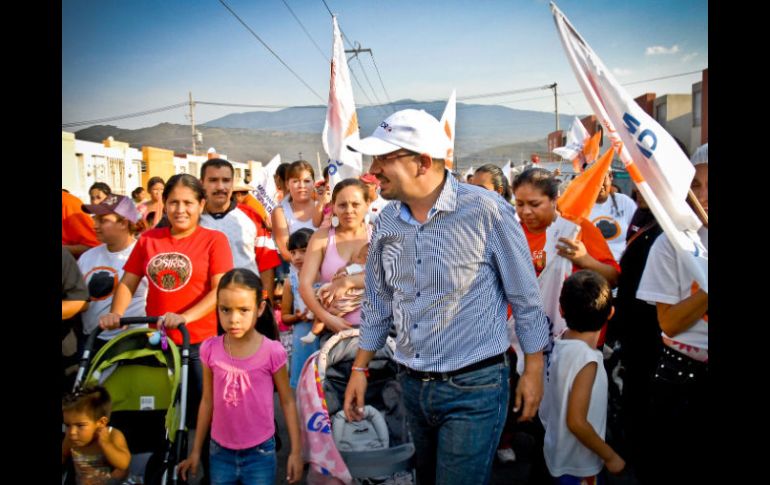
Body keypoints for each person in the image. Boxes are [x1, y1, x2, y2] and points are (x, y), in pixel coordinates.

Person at [343, 109, 549, 485]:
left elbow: (526, 298)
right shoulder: (386, 220)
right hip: (410, 384)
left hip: (475, 388)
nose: (373, 169)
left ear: (422, 162)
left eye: (383, 158)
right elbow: (377, 301)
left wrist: (534, 369)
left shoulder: (487, 211)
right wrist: (360, 367)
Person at [99, 174, 234, 484]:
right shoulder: (149, 240)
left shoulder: (214, 240)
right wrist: (115, 313)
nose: (180, 209)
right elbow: (128, 283)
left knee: (205, 417)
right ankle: (165, 469)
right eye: (173, 202)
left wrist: (185, 316)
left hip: (199, 344)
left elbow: (219, 292)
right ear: (164, 204)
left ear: (201, 204)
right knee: (162, 417)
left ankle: (211, 473)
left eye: (188, 202)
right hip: (158, 345)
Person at [177, 268, 303, 484]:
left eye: (244, 310)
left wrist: (296, 452)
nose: (234, 319)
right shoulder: (209, 349)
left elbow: (287, 401)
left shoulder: (272, 351)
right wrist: (196, 451)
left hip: (260, 454)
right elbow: (207, 401)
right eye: (225, 310)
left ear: (260, 308)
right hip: (219, 453)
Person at [635, 143, 708, 484]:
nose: (703, 195)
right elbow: (670, 323)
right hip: (684, 379)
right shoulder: (670, 243)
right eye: (695, 185)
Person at [540, 270, 625, 481]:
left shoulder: (559, 343)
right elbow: (576, 422)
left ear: (561, 310)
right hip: (578, 465)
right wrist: (610, 456)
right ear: (610, 313)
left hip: (556, 450)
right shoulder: (586, 360)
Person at [512, 168, 620, 286]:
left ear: (554, 199)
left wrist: (585, 260)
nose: (526, 211)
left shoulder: (578, 228)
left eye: (535, 204)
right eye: (520, 204)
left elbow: (614, 278)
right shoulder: (511, 233)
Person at [199, 159, 281, 302]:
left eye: (226, 180)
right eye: (213, 180)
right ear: (202, 183)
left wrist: (266, 302)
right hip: (204, 306)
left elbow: (266, 265)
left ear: (232, 183)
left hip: (246, 304)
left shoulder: (251, 216)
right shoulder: (192, 219)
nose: (220, 186)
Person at [298, 178, 371, 337]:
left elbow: (390, 278)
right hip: (333, 331)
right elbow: (304, 285)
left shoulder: (379, 236)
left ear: (367, 204)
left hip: (377, 330)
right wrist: (328, 319)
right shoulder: (322, 237)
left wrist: (347, 282)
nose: (349, 210)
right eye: (342, 205)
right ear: (333, 207)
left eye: (355, 204)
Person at [78, 195, 149, 354]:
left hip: (133, 342)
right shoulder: (87, 257)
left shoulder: (146, 254)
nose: (95, 225)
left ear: (124, 223)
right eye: (95, 219)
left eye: (103, 220)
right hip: (92, 341)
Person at [300, 242, 368, 344]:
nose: (355, 259)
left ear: (365, 258)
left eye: (359, 256)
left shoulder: (358, 267)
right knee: (327, 310)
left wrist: (343, 274)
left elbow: (341, 272)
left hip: (345, 299)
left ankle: (313, 331)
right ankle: (313, 324)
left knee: (323, 303)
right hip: (352, 303)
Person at [62, 386, 131, 485]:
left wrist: (105, 444)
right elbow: (63, 455)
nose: (72, 432)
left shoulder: (112, 435)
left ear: (101, 423)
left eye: (80, 425)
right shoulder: (71, 439)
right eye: (68, 425)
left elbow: (123, 464)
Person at [280, 228, 320, 389]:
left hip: (325, 333)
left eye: (303, 251)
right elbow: (284, 317)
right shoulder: (291, 282)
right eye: (293, 252)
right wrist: (297, 317)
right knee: (305, 383)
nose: (297, 257)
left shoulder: (327, 275)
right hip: (302, 335)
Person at [271, 160, 322, 262]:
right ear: (287, 184)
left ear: (313, 183)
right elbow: (286, 252)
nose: (301, 186)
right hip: (298, 274)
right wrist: (311, 268)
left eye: (307, 181)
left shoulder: (323, 208)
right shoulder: (280, 212)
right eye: (296, 181)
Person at [588, 170, 637, 263]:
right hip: (590, 267)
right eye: (594, 179)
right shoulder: (580, 205)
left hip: (621, 265)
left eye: (602, 178)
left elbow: (636, 235)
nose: (599, 184)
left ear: (610, 177)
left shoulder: (624, 202)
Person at [63, 190, 100, 258]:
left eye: (104, 220)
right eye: (92, 198)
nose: (94, 201)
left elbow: (94, 245)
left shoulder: (67, 202)